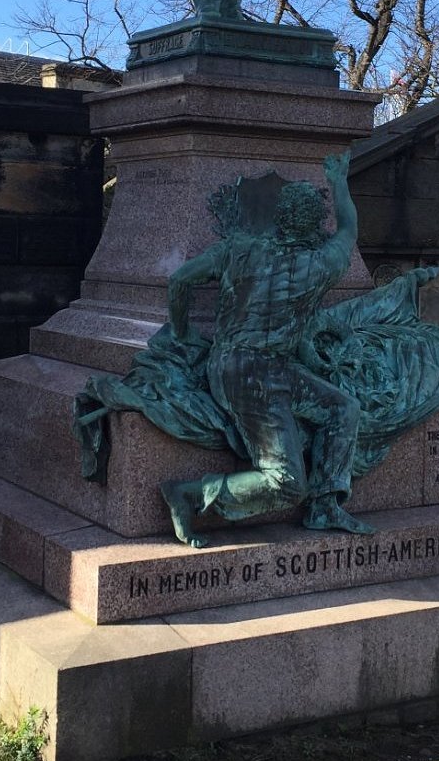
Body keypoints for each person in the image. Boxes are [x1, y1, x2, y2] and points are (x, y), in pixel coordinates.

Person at [159, 152, 373, 547]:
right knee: (288, 483)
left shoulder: (238, 248)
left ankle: (325, 505)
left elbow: (179, 281)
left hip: (257, 366)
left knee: (344, 408)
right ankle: (189, 494)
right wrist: (338, 180)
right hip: (249, 376)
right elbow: (348, 229)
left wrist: (180, 332)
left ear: (281, 218)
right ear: (313, 225)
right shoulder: (321, 264)